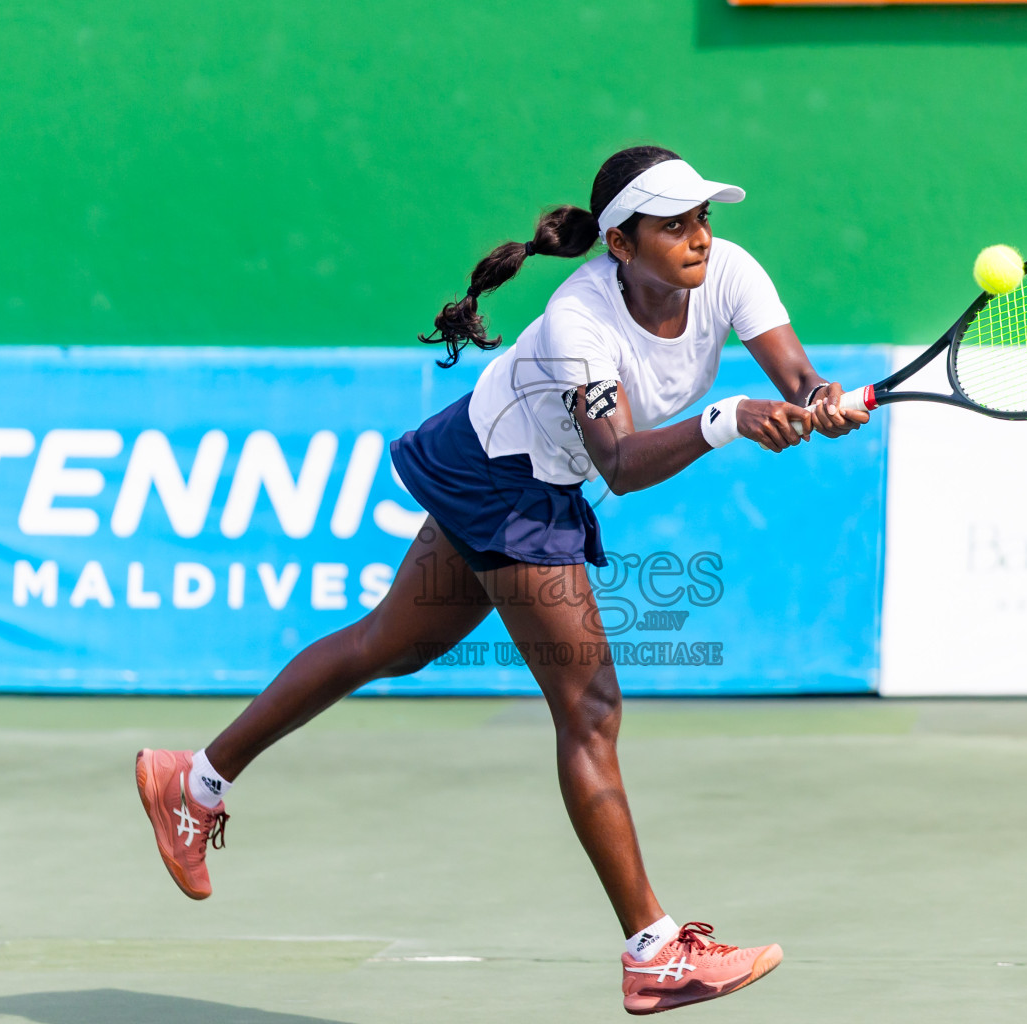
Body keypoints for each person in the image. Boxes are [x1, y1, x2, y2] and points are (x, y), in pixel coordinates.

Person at [135, 145, 869, 1015]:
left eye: (703, 217)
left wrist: (819, 396)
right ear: (621, 245)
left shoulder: (731, 271)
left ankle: (196, 780)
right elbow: (623, 463)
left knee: (388, 644)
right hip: (504, 475)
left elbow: (794, 372)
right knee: (589, 706)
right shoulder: (580, 320)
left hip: (501, 456)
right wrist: (730, 419)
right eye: (673, 224)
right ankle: (653, 950)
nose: (699, 237)